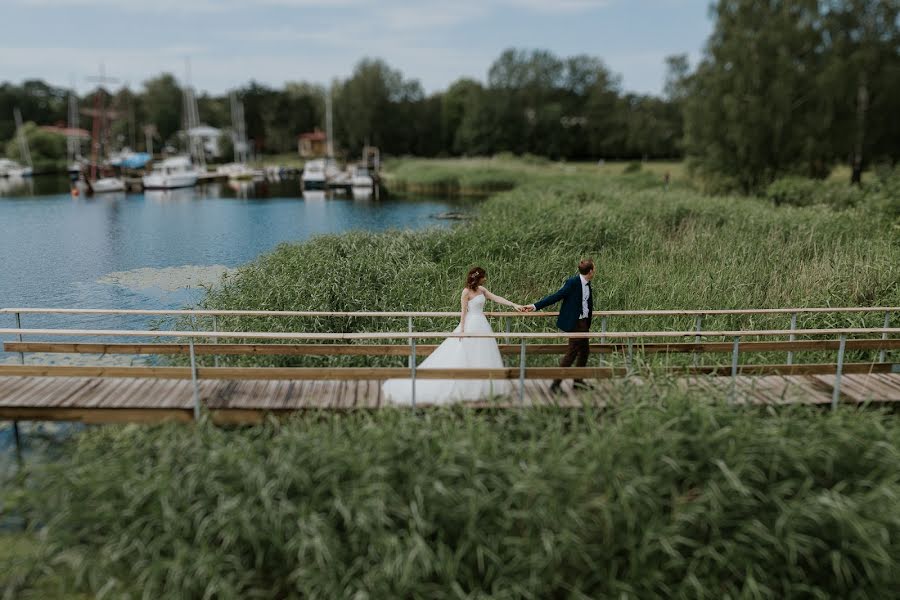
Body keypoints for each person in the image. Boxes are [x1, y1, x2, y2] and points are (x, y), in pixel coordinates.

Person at [382, 266, 524, 405]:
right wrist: (462, 330)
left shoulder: (482, 290)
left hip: (482, 325)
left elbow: (497, 298)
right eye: (484, 276)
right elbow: (463, 312)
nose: (485, 279)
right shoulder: (466, 292)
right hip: (470, 324)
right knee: (465, 353)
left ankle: (483, 386)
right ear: (478, 278)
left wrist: (514, 305)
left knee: (482, 353)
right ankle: (465, 385)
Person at [524, 259, 595, 394]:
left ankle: (578, 381)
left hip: (584, 323)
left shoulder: (587, 283)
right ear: (590, 271)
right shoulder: (572, 282)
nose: (594, 271)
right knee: (572, 353)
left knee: (585, 351)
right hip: (575, 323)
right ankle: (555, 384)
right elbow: (556, 296)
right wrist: (535, 306)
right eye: (594, 269)